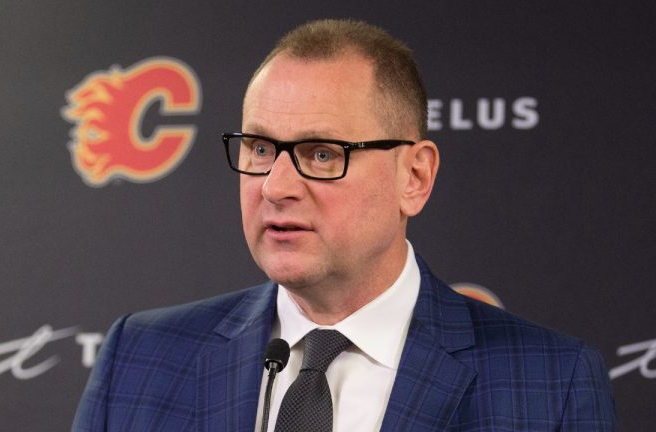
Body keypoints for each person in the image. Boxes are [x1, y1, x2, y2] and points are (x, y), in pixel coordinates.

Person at [72, 19, 617, 431]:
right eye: (261, 148)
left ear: (415, 176)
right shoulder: (139, 358)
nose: (276, 185)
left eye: (323, 153)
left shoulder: (550, 385)